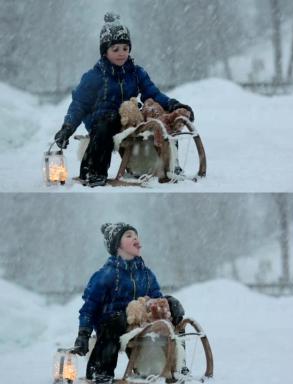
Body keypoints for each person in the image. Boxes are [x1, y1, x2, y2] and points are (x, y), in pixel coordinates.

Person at [53, 13, 195, 187]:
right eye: (115, 49)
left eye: (125, 49)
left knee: (159, 119)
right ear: (105, 51)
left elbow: (153, 93)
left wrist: (173, 104)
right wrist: (67, 128)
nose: (121, 54)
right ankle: (93, 171)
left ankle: (169, 165)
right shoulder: (94, 76)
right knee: (107, 124)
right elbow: (79, 104)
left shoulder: (136, 73)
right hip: (102, 119)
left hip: (130, 117)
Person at [72, 222, 185, 383]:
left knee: (173, 310)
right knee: (116, 320)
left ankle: (178, 366)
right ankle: (101, 372)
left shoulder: (146, 274)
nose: (136, 239)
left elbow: (156, 298)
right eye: (129, 236)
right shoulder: (106, 274)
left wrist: (166, 305)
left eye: (137, 236)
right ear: (117, 244)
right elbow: (89, 307)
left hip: (141, 323)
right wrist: (83, 333)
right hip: (113, 325)